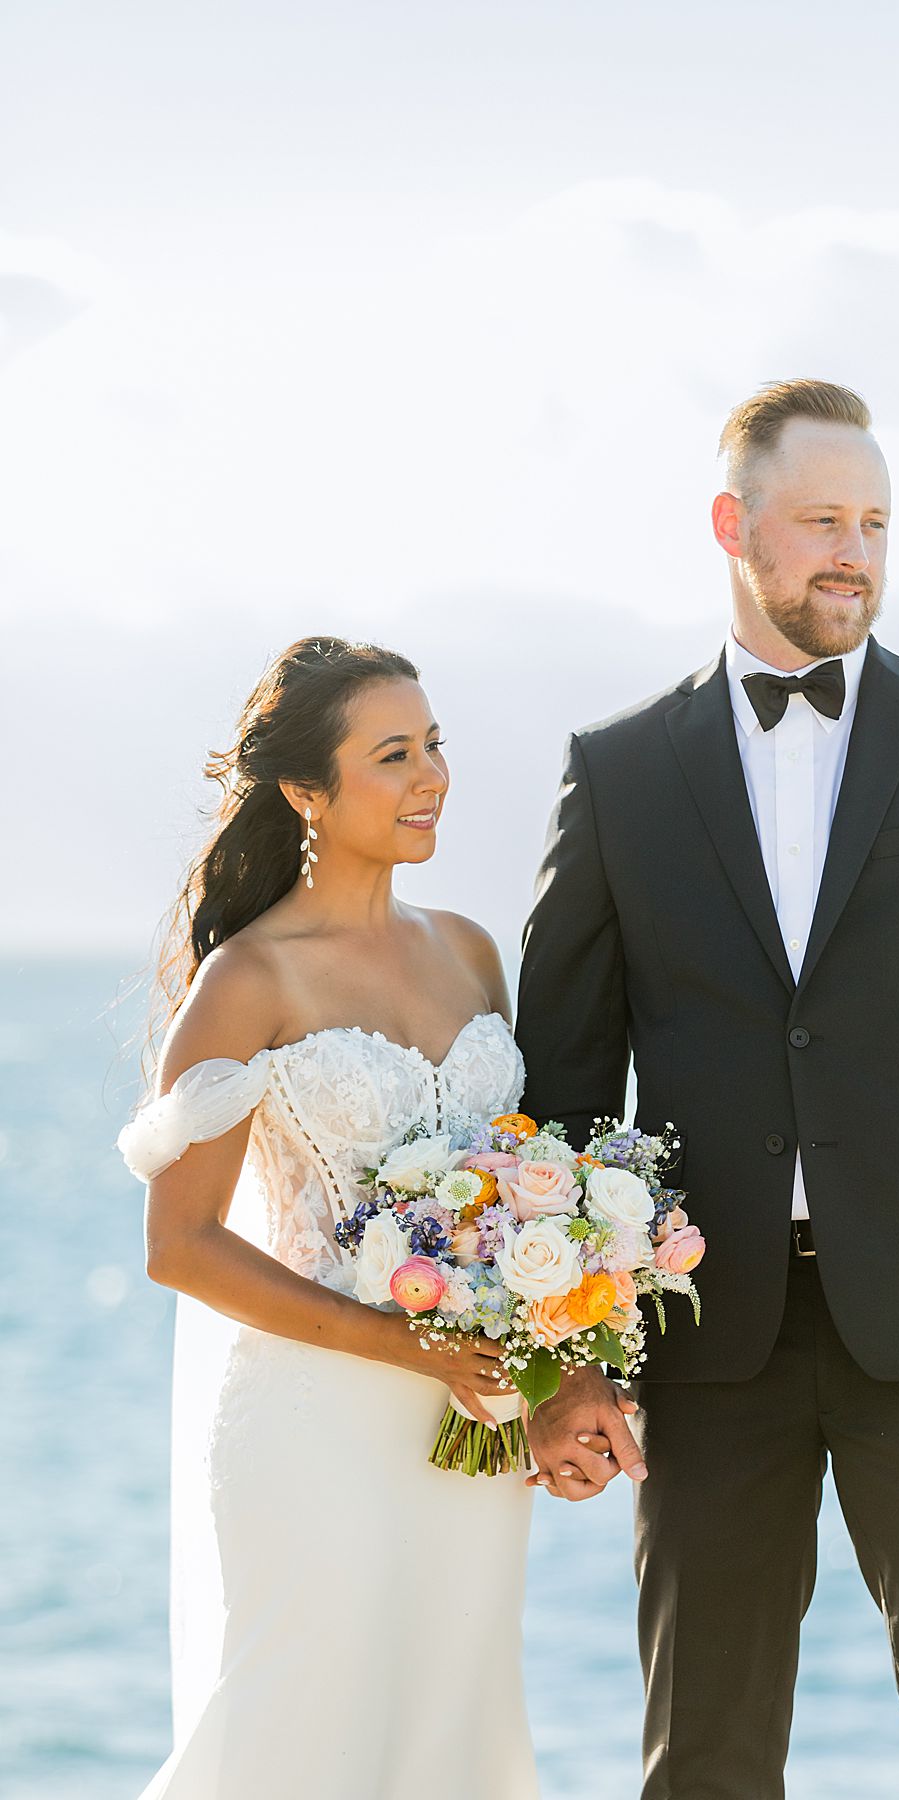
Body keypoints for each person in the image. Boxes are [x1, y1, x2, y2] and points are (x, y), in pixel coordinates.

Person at [517, 379, 899, 1800]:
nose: (856, 551)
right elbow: (569, 1082)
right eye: (824, 520)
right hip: (709, 1333)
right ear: (734, 526)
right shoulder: (618, 772)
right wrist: (569, 1350)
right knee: (705, 1747)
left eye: (878, 523)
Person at [119, 636, 603, 1798]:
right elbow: (178, 1245)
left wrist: (546, 1383)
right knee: (299, 1737)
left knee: (453, 1735)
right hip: (312, 1427)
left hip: (470, 1434)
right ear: (305, 792)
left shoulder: (473, 952)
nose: (432, 774)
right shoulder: (250, 977)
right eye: (393, 754)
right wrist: (404, 1343)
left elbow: (508, 1194)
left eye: (435, 745)